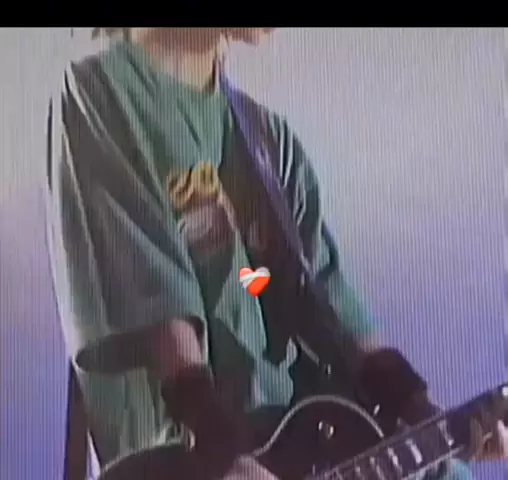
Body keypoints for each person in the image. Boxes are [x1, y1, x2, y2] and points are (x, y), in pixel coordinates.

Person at [45, 28, 506, 479]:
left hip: (306, 444)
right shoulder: (99, 93)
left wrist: (429, 420)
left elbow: (331, 304)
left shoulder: (270, 140)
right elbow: (153, 298)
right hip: (193, 452)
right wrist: (222, 456)